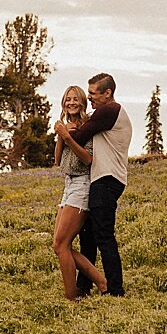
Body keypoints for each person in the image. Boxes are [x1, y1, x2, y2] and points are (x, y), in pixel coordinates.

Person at [55, 72, 133, 296]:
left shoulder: (109, 110)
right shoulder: (103, 114)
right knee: (88, 235)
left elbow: (80, 136)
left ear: (107, 93)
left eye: (92, 93)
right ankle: (85, 285)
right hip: (100, 179)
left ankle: (113, 288)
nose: (89, 98)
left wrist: (65, 132)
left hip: (106, 179)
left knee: (103, 234)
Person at [51, 86, 107, 300]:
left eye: (75, 99)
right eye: (68, 99)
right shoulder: (65, 127)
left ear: (82, 102)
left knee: (61, 244)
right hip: (68, 184)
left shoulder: (87, 126)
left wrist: (69, 137)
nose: (71, 102)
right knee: (58, 245)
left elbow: (88, 159)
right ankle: (101, 282)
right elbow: (57, 161)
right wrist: (61, 136)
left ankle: (71, 297)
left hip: (82, 184)